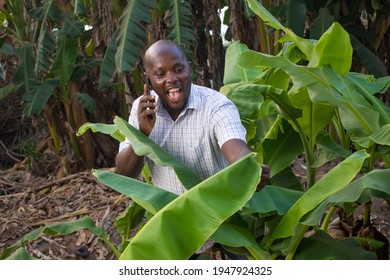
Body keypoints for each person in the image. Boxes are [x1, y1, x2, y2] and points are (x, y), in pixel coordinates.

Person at [115, 39, 270, 258]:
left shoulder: (215, 104)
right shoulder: (142, 110)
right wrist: (142, 134)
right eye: (160, 74)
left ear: (189, 68)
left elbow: (235, 148)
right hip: (176, 225)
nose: (172, 79)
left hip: (222, 219)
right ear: (147, 78)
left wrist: (249, 169)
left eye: (179, 69)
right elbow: (123, 176)